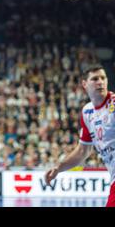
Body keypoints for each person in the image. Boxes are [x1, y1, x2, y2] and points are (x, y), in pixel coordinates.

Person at [45, 64, 115, 207]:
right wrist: (59, 168)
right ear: (84, 84)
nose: (100, 82)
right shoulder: (87, 112)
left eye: (103, 78)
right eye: (95, 79)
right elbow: (83, 151)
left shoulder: (113, 104)